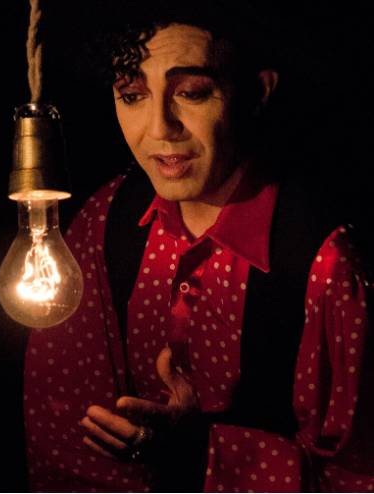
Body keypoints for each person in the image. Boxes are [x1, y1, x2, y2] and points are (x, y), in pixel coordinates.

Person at [24, 2, 374, 492]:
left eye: (191, 92)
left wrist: (201, 454)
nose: (160, 128)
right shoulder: (107, 220)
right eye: (132, 95)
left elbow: (355, 476)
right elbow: (61, 434)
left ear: (257, 91)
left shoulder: (325, 262)